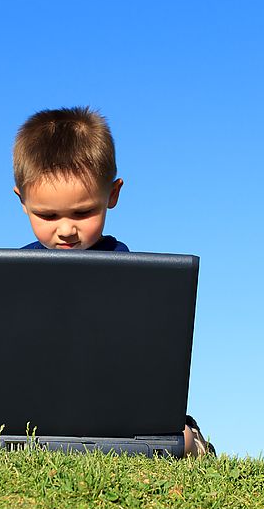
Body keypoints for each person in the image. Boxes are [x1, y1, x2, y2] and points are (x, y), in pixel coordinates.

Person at [12, 106, 215, 457]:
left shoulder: (126, 270)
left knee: (175, 439)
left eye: (82, 212)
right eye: (47, 215)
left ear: (112, 194)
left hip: (115, 409)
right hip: (36, 412)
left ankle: (193, 438)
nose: (65, 230)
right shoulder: (12, 274)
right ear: (23, 203)